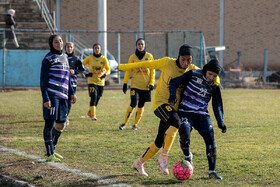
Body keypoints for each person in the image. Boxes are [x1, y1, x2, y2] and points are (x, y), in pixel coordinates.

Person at [118, 44, 219, 176]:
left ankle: (139, 163)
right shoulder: (167, 62)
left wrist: (216, 81)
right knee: (176, 123)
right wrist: (123, 67)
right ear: (178, 57)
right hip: (161, 104)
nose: (186, 62)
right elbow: (145, 64)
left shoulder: (193, 70)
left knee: (159, 141)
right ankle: (163, 158)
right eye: (183, 59)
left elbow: (210, 72)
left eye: (189, 59)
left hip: (174, 109)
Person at [168, 59, 227, 180]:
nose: (211, 77)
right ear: (206, 70)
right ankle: (188, 156)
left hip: (202, 115)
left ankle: (212, 171)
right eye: (210, 74)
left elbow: (217, 105)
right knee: (184, 134)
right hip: (185, 112)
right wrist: (172, 95)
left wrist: (220, 122)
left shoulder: (215, 86)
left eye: (214, 76)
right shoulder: (193, 74)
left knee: (211, 140)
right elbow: (174, 82)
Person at [40, 35, 77, 162]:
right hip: (52, 95)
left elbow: (67, 77)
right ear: (51, 44)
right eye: (56, 41)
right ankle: (50, 153)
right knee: (49, 124)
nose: (59, 43)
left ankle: (52, 149)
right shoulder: (47, 59)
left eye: (60, 41)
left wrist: (72, 92)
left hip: (64, 95)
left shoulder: (65, 57)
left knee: (61, 124)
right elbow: (43, 81)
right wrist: (46, 98)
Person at [119, 38, 155, 131]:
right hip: (135, 85)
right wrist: (125, 83)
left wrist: (152, 82)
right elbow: (128, 70)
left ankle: (135, 125)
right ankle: (124, 123)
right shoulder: (132, 57)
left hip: (145, 86)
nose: (140, 46)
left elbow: (152, 70)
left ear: (145, 45)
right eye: (139, 44)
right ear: (136, 45)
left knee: (141, 105)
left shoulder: (149, 56)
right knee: (133, 103)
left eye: (142, 44)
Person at [83, 43, 111, 121]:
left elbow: (108, 69)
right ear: (93, 49)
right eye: (95, 48)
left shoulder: (103, 59)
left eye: (98, 48)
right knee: (93, 96)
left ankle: (90, 111)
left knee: (98, 97)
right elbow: (81, 66)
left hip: (100, 81)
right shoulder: (89, 58)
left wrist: (105, 74)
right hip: (92, 81)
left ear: (100, 49)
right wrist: (86, 73)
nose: (97, 50)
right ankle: (93, 115)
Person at [65, 42, 84, 125]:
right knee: (63, 99)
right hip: (63, 82)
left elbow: (81, 69)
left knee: (70, 99)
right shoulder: (62, 57)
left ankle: (66, 116)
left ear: (73, 48)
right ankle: (63, 116)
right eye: (68, 47)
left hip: (72, 82)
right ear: (65, 48)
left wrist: (74, 71)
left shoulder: (76, 59)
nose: (69, 48)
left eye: (71, 47)